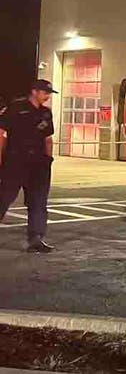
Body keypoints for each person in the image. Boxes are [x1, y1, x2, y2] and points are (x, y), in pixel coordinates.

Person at [0, 80, 57, 253]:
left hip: (39, 165)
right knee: (4, 198)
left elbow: (48, 138)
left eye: (49, 93)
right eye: (44, 92)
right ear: (34, 91)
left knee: (38, 202)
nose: (47, 96)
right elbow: (2, 133)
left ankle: (36, 239)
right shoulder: (16, 108)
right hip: (16, 162)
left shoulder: (46, 113)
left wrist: (49, 159)